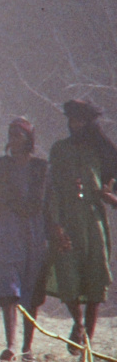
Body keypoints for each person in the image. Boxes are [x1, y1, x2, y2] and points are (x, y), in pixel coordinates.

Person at [47, 99, 117, 346]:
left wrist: (112, 198)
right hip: (67, 219)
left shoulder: (101, 151)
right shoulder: (59, 149)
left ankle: (88, 335)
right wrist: (55, 224)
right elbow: (53, 188)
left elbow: (111, 186)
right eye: (71, 120)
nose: (74, 124)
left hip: (94, 222)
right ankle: (77, 324)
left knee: (96, 276)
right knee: (68, 274)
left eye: (79, 120)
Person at [0, 118, 48, 361]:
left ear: (29, 139)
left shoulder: (41, 167)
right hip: (6, 230)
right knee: (8, 286)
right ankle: (10, 345)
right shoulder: (0, 165)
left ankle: (27, 347)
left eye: (19, 135)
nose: (14, 139)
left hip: (33, 232)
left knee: (31, 288)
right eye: (11, 135)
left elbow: (39, 203)